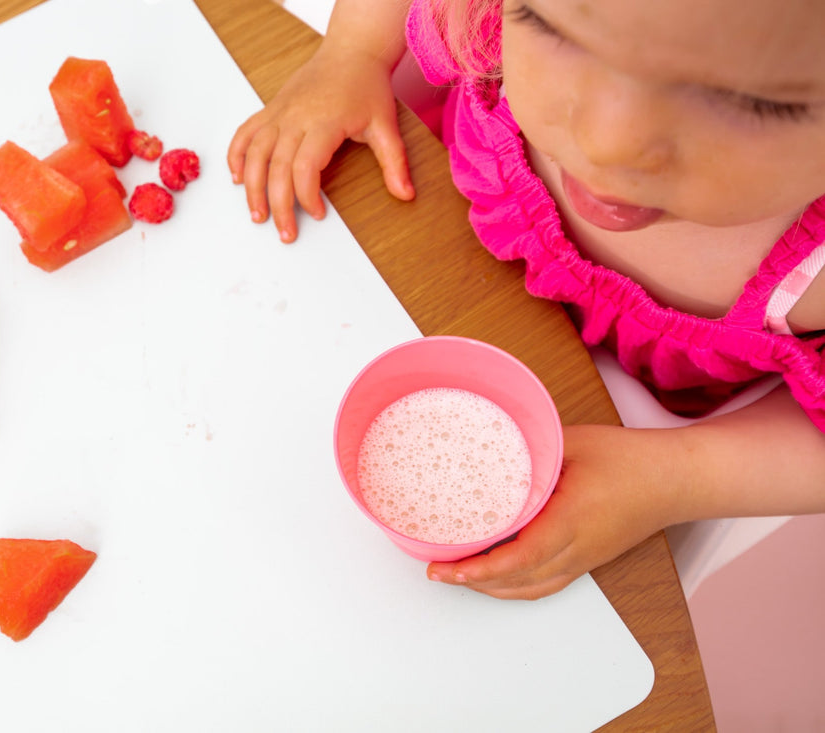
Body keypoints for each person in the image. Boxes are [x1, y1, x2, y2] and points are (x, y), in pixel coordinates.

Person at [227, 0, 825, 600]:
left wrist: (677, 477)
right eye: (555, 28)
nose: (608, 144)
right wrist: (353, 51)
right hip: (435, 244)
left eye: (750, 102)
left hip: (646, 431)